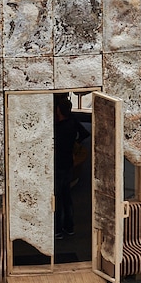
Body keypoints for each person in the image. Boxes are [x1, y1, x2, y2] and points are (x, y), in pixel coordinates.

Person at [53, 93, 89, 239]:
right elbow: (84, 133)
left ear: (59, 111)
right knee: (67, 197)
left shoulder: (58, 128)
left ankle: (57, 230)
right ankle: (69, 226)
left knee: (57, 199)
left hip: (59, 166)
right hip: (68, 163)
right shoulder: (73, 122)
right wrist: (75, 144)